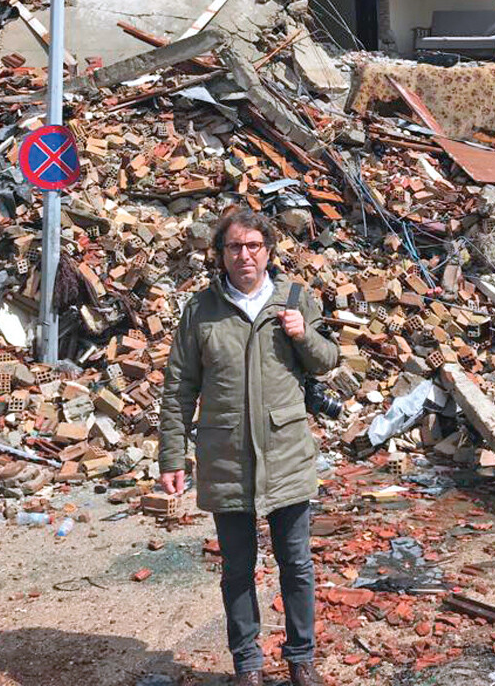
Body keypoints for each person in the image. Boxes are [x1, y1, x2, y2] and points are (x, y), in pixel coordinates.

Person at [159, 206, 339, 686]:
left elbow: (327, 361)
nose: (244, 255)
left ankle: (301, 658)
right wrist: (172, 457)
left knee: (296, 563)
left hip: (286, 454)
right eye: (234, 246)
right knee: (237, 567)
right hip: (226, 456)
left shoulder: (296, 300)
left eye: (253, 246)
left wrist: (304, 337)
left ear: (269, 251)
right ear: (220, 255)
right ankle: (248, 665)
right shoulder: (201, 311)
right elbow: (179, 388)